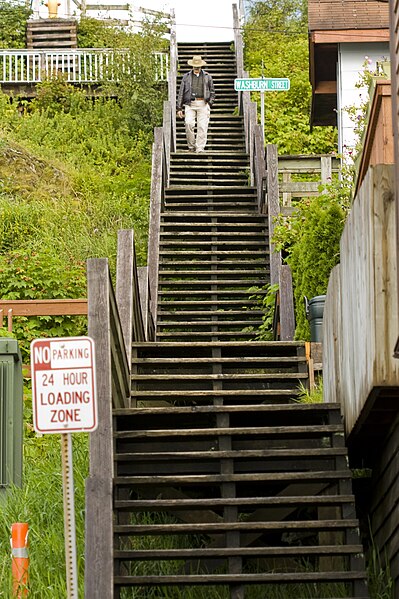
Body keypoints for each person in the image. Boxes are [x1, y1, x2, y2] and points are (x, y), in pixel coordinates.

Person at [177, 55, 215, 153]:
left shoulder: (207, 76)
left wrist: (209, 103)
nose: (196, 69)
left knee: (202, 126)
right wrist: (179, 108)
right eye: (195, 67)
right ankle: (191, 146)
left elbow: (212, 91)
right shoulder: (186, 77)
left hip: (203, 103)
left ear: (201, 66)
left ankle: (200, 148)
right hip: (190, 104)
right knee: (188, 123)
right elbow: (181, 92)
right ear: (192, 66)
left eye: (198, 67)